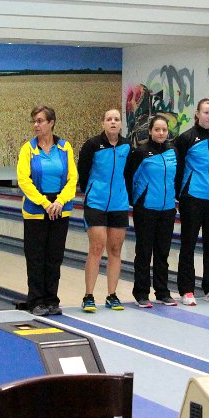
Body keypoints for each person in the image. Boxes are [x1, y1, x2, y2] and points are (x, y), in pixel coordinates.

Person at [17, 106, 77, 316]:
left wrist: (59, 202)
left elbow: (72, 178)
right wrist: (45, 203)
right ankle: (36, 301)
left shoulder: (65, 147)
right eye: (34, 121)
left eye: (40, 121)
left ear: (51, 123)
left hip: (60, 208)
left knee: (54, 256)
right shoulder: (28, 149)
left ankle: (52, 299)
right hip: (36, 208)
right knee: (35, 257)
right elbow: (24, 181)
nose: (36, 125)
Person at [174, 98, 209, 305]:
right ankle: (186, 289)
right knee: (188, 243)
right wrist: (180, 194)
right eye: (206, 112)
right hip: (193, 197)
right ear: (197, 114)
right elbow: (178, 169)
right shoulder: (186, 138)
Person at [77, 109, 131, 312]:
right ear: (103, 123)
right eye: (109, 119)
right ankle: (88, 296)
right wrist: (90, 191)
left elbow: (129, 173)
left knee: (115, 249)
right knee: (97, 247)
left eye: (116, 119)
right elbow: (83, 172)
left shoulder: (127, 146)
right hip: (96, 202)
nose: (113, 122)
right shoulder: (92, 145)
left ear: (121, 124)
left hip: (119, 203)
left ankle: (112, 295)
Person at [126, 116, 178, 307]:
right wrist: (136, 201)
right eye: (157, 129)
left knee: (163, 253)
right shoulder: (141, 152)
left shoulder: (173, 151)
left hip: (167, 209)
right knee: (144, 252)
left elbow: (177, 177)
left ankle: (162, 292)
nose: (161, 133)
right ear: (150, 131)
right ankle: (141, 293)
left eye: (164, 130)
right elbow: (131, 177)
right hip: (146, 209)